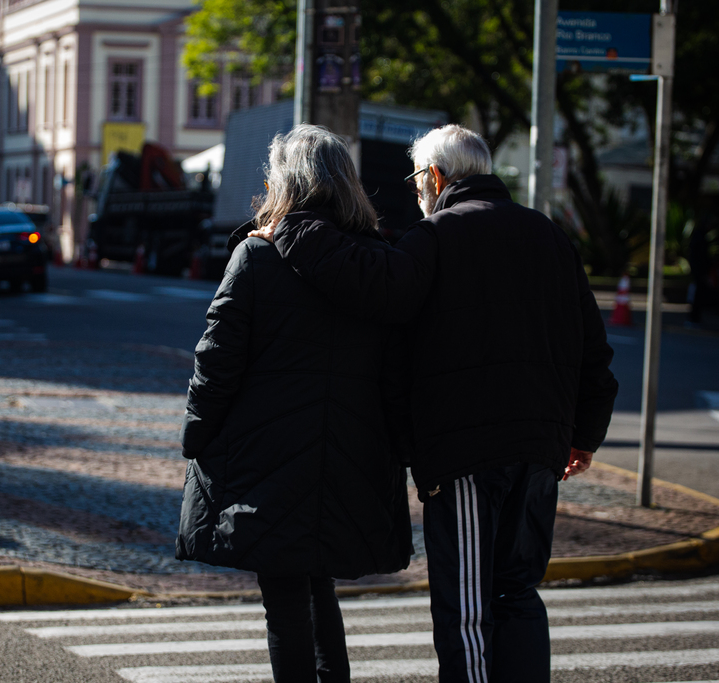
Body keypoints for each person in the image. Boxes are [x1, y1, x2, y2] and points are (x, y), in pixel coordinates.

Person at [249, 124, 618, 683]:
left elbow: (371, 287)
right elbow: (594, 349)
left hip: (467, 453)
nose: (417, 192)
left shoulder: (436, 237)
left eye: (417, 179)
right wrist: (583, 437)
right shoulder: (548, 234)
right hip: (542, 451)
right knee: (517, 594)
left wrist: (297, 231)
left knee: (466, 608)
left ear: (437, 177)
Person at [175, 124, 414, 683]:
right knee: (317, 584)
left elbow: (216, 363)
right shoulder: (379, 259)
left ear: (285, 182)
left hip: (268, 460)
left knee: (286, 601)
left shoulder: (257, 258)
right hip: (353, 460)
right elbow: (400, 374)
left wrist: (196, 436)